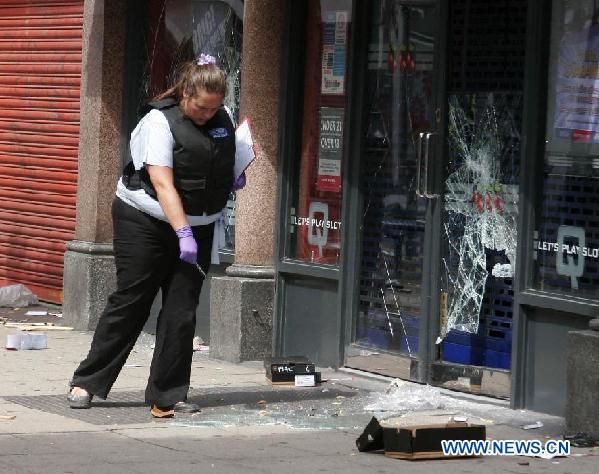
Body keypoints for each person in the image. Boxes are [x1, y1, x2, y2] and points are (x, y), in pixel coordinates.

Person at [67, 54, 245, 418]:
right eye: (199, 107)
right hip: (144, 219)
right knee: (132, 300)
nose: (206, 115)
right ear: (185, 95)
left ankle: (168, 394)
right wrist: (183, 233)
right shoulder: (158, 122)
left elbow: (222, 155)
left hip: (199, 222)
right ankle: (88, 381)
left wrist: (233, 175)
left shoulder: (222, 117)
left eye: (212, 109)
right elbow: (163, 184)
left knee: (181, 311)